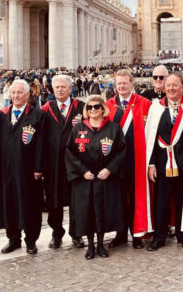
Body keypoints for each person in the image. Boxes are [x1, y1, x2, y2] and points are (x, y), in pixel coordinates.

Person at [143, 72, 183, 251]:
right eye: (168, 85)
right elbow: (150, 139)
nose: (170, 88)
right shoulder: (156, 108)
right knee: (161, 202)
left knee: (182, 200)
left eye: (175, 85)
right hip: (162, 164)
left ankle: (182, 235)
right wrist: (151, 163)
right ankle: (159, 237)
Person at [65, 95, 127, 259]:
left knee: (102, 212)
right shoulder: (78, 128)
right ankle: (90, 246)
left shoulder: (113, 128)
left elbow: (121, 151)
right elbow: (70, 153)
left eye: (97, 107)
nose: (93, 110)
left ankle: (101, 245)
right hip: (85, 178)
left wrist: (109, 169)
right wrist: (82, 171)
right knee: (87, 213)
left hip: (104, 178)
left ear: (103, 108)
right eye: (90, 107)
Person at [0, 79, 46, 255]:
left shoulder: (37, 116)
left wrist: (39, 168)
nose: (15, 96)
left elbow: (41, 144)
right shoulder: (1, 115)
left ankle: (31, 240)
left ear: (27, 94)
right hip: (6, 170)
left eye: (19, 93)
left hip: (28, 171)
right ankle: (13, 239)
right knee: (9, 204)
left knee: (30, 205)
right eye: (13, 93)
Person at [106, 70, 152, 248]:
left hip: (136, 159)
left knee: (134, 198)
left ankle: (137, 233)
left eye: (125, 83)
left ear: (132, 83)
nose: (122, 87)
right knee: (118, 199)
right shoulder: (108, 105)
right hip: (115, 162)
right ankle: (120, 233)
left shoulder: (144, 104)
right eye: (119, 84)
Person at [40, 75, 86, 249]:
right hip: (53, 164)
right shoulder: (45, 109)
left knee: (76, 200)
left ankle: (77, 233)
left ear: (70, 88)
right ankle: (56, 233)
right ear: (52, 89)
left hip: (76, 163)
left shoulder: (81, 107)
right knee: (54, 201)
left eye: (63, 87)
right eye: (57, 87)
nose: (60, 90)